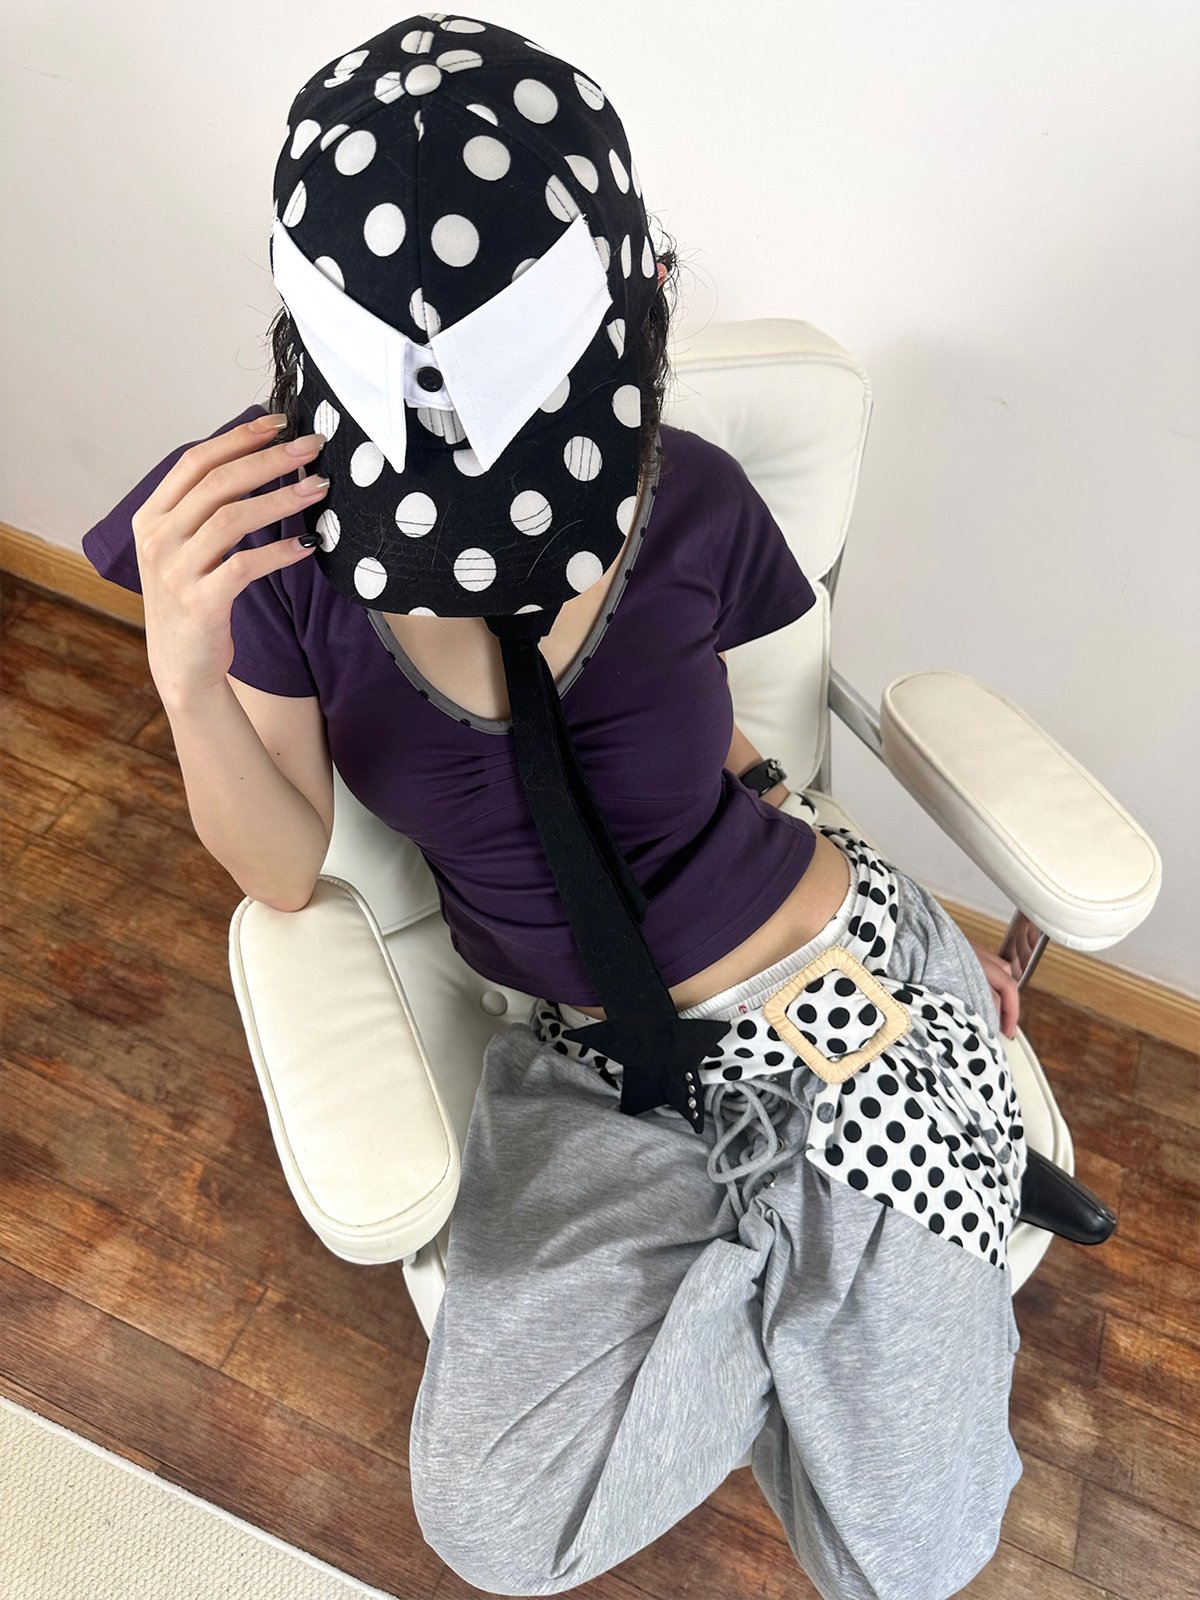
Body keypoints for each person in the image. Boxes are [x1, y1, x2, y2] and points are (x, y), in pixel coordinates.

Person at [82, 15, 1029, 1599]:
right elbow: (282, 869)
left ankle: (826, 1242)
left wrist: (914, 929)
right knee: (501, 1527)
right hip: (594, 1078)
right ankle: (797, 1273)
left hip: (840, 1003)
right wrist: (184, 667)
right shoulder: (282, 554)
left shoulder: (689, 492)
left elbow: (724, 754)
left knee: (913, 1560)